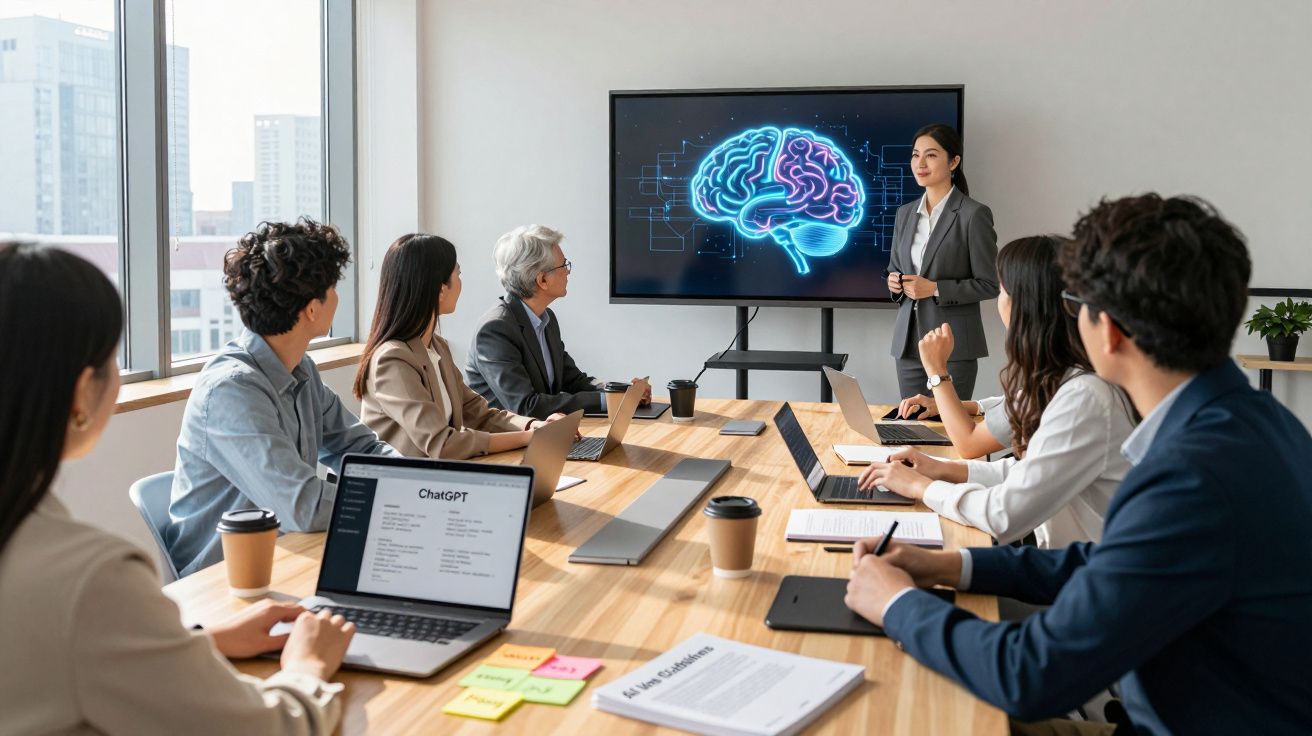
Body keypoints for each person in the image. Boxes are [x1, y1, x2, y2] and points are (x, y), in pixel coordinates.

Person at [845, 195, 1312, 734]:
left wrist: (898, 603)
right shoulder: (1254, 423)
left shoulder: (1191, 475)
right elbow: (1108, 562)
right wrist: (950, 566)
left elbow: (1031, 672)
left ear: (1107, 329)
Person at [0, 242, 356, 734]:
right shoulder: (92, 579)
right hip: (232, 584)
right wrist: (308, 667)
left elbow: (75, 656)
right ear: (84, 391)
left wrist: (199, 640)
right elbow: (266, 728)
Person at [861, 236, 1136, 548]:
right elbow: (1026, 473)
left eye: (1002, 290)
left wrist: (922, 487)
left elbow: (1002, 512)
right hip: (1058, 558)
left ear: (1025, 304)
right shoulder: (1063, 377)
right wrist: (940, 468)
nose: (998, 301)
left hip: (1072, 574)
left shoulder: (1084, 397)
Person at [169, 219, 401, 577]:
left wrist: (419, 486)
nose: (338, 296)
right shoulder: (231, 390)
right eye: (334, 287)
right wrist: (394, 504)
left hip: (289, 554)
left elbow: (362, 450)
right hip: (224, 582)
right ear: (312, 309)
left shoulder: (301, 369)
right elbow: (303, 505)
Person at [356, 234, 567, 459]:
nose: (461, 282)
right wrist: (529, 437)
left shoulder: (436, 346)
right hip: (400, 488)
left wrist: (533, 426)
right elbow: (443, 444)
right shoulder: (392, 360)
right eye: (458, 273)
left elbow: (479, 413)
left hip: (436, 483)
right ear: (440, 289)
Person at [465, 224, 650, 419]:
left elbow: (573, 380)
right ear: (542, 280)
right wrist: (610, 401)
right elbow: (526, 406)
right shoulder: (495, 330)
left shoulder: (546, 318)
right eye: (563, 265)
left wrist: (623, 392)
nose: (568, 272)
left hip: (544, 435)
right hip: (505, 443)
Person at [886, 123, 999, 401]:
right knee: (912, 427)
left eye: (931, 155)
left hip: (954, 347)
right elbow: (894, 268)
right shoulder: (904, 214)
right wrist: (894, 283)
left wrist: (935, 288)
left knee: (951, 435)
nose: (920, 163)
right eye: (915, 155)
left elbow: (990, 284)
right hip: (909, 345)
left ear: (954, 161)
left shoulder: (974, 215)